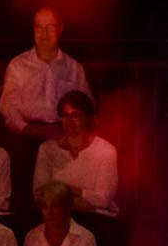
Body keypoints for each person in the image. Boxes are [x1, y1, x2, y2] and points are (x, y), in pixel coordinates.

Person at [0, 7, 90, 142]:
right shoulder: (17, 65)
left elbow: (85, 106)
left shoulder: (74, 68)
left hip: (64, 136)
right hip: (26, 136)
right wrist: (25, 127)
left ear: (60, 28)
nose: (44, 34)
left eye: (50, 28)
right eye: (39, 28)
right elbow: (7, 105)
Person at [34, 92, 122, 221]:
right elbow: (39, 193)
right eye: (65, 115)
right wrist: (74, 200)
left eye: (76, 115)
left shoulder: (106, 151)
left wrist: (64, 192)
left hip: (96, 218)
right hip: (57, 216)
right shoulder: (47, 149)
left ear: (88, 118)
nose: (69, 120)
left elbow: (103, 199)